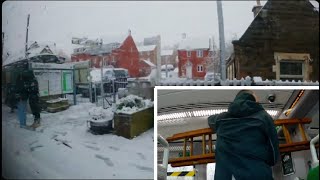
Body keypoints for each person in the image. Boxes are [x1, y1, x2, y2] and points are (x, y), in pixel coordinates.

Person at [208, 90, 279, 180]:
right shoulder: (264, 117)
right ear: (253, 100)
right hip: (257, 174)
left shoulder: (220, 119)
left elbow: (209, 120)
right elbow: (273, 152)